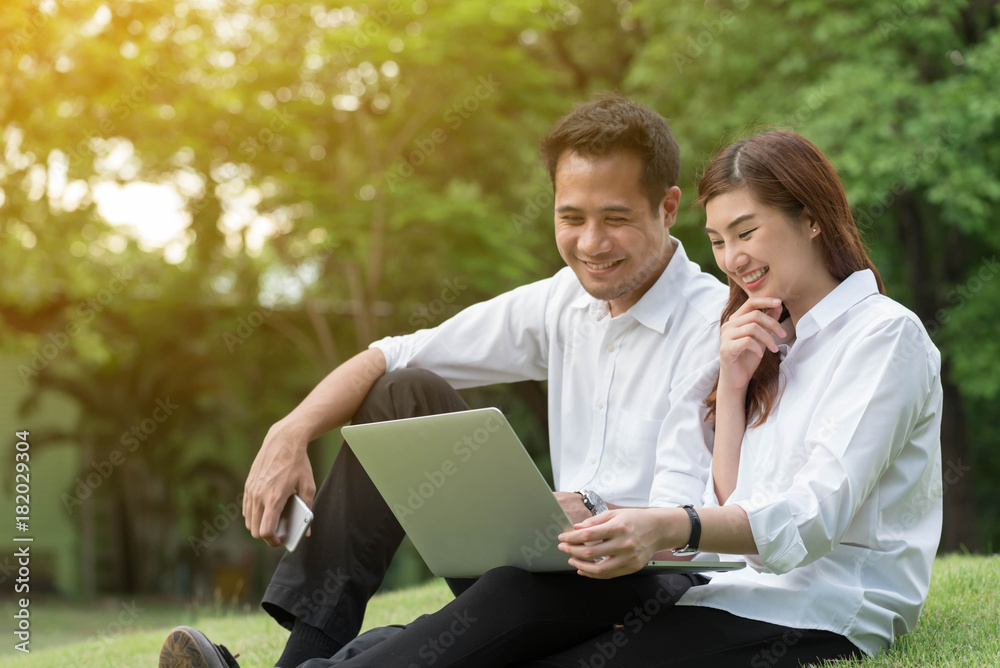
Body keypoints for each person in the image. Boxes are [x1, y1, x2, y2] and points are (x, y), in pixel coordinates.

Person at [229, 129, 942, 667]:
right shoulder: (763, 332)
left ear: (812, 217)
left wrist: (657, 525)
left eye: (747, 232)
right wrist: (730, 387)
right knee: (412, 414)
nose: (734, 259)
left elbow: (808, 519)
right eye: (721, 239)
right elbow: (733, 492)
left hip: (816, 605)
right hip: (689, 576)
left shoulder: (884, 338)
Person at [159, 93, 729, 668]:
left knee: (512, 589)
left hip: (653, 577)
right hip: (554, 560)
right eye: (571, 218)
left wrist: (593, 505)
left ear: (667, 206)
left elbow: (691, 509)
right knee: (400, 393)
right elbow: (391, 354)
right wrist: (290, 432)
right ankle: (306, 655)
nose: (590, 244)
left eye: (616, 218)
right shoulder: (564, 301)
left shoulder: (712, 323)